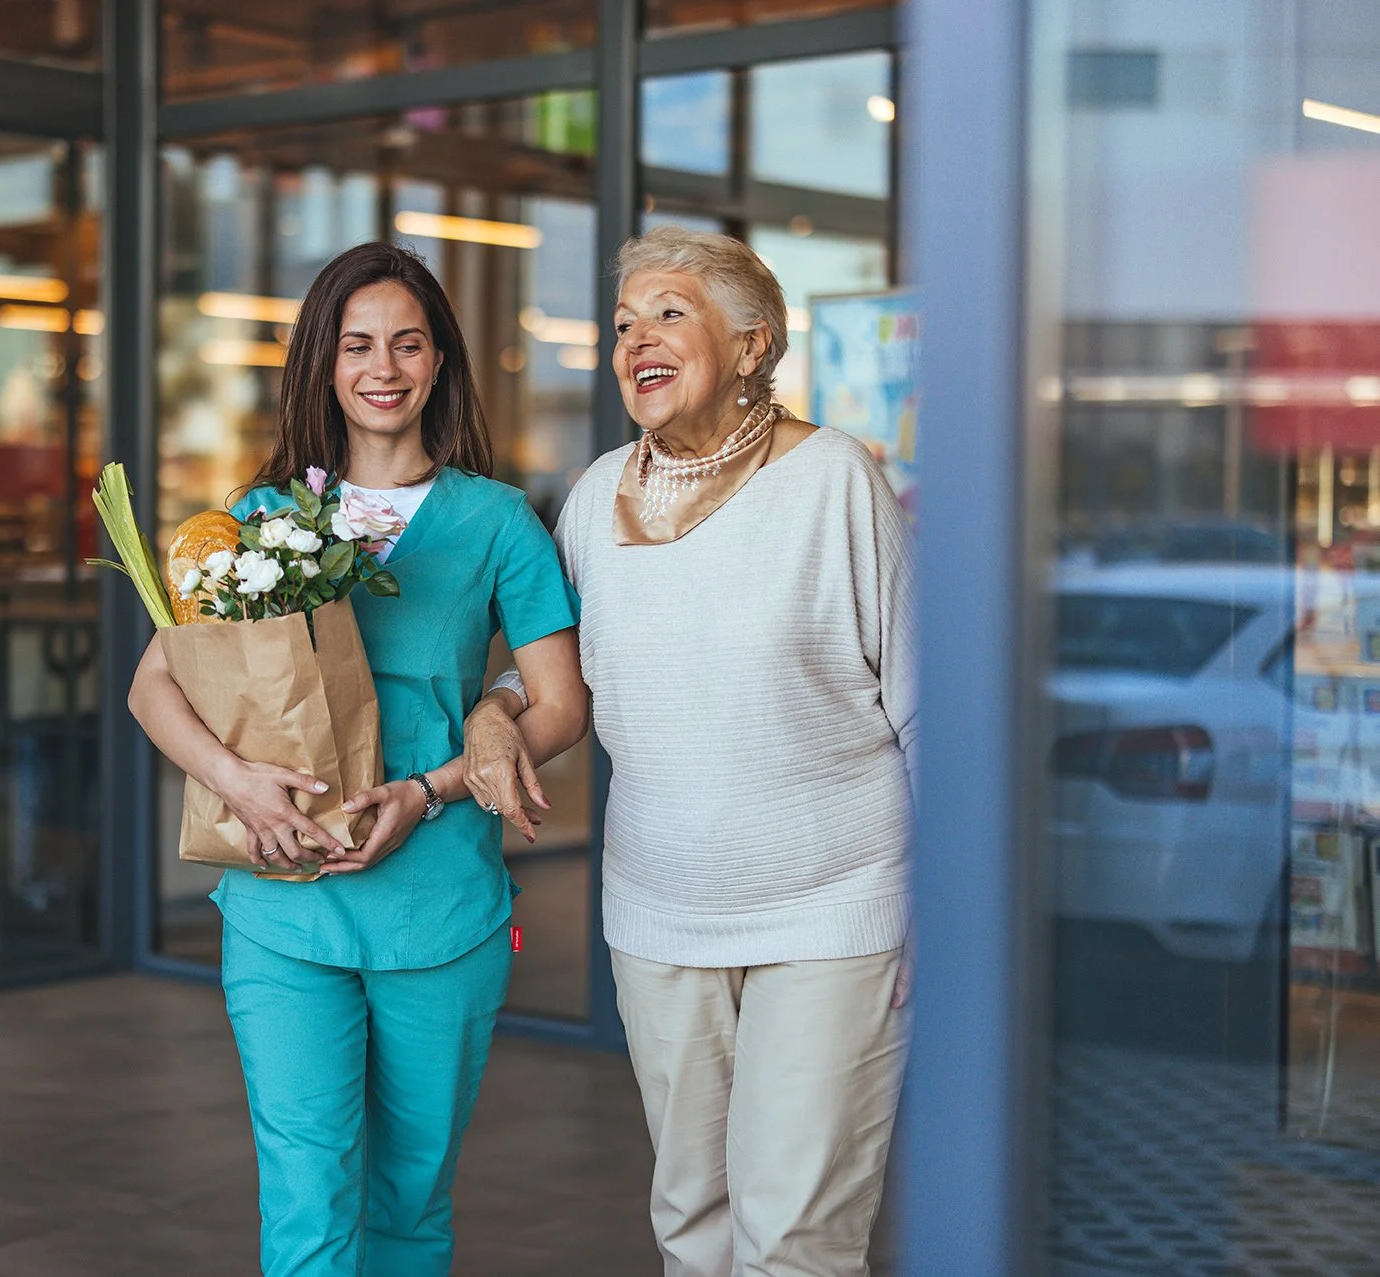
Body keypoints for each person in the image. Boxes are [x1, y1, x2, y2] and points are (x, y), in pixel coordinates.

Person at [127, 240, 588, 1277]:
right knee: (305, 1192)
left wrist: (431, 788)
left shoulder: (497, 521)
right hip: (283, 905)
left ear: (439, 363)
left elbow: (560, 704)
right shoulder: (264, 517)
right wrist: (237, 779)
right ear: (323, 365)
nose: (384, 367)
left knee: (410, 1201)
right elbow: (153, 682)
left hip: (441, 908)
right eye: (358, 344)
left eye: (408, 344)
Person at [464, 224, 916, 1277]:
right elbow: (546, 681)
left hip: (833, 907)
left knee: (794, 1235)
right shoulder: (594, 496)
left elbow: (930, 708)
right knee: (691, 1218)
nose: (637, 340)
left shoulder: (835, 481)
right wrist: (492, 715)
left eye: (670, 311)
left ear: (755, 342)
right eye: (624, 323)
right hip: (660, 912)